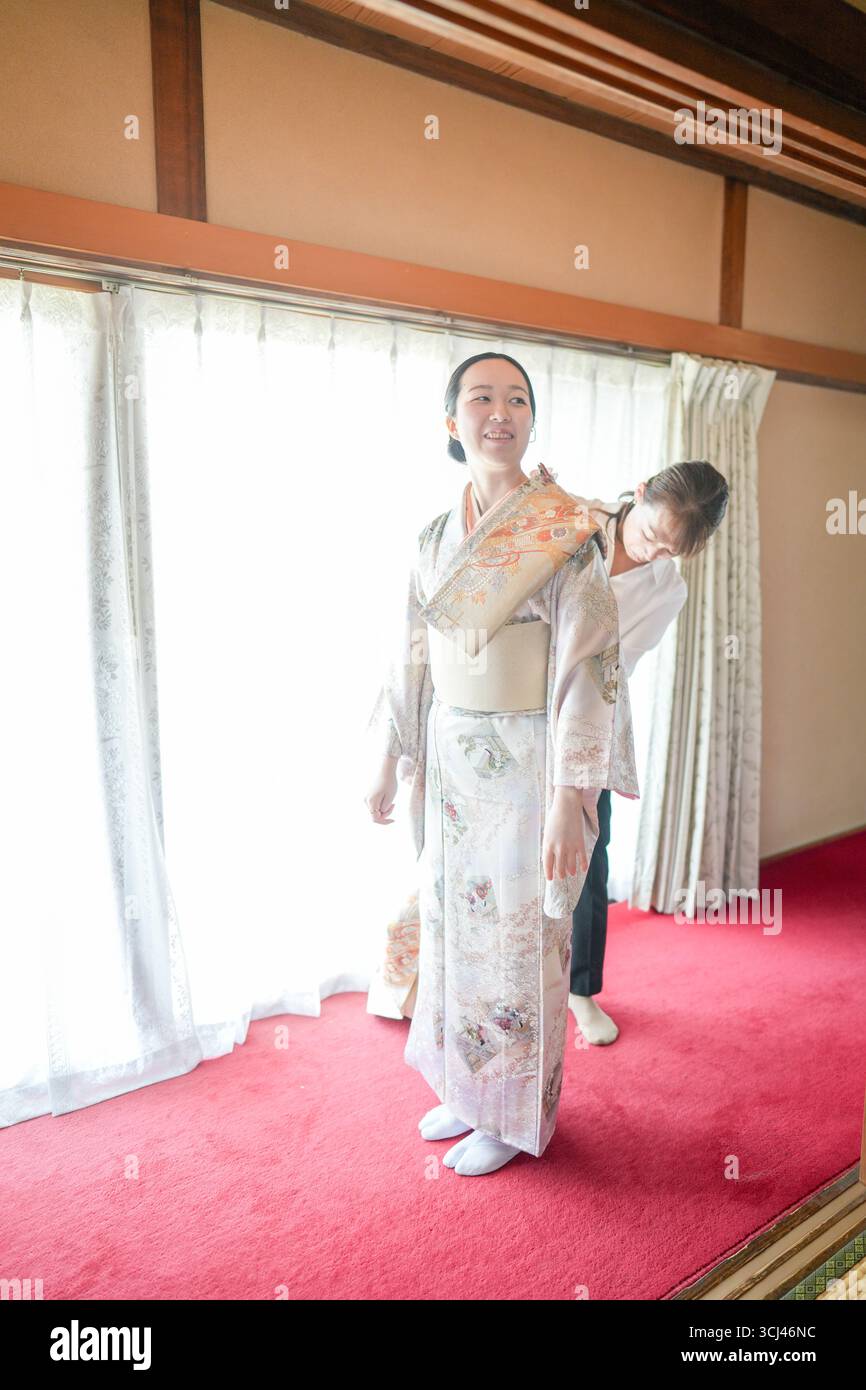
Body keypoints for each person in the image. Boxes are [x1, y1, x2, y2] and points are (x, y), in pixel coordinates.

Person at [364, 352, 638, 1176]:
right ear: (453, 422)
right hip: (452, 761)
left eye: (517, 399)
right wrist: (388, 756)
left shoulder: (565, 539)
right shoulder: (430, 538)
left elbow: (592, 667)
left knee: (520, 939)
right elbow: (410, 652)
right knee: (455, 931)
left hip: (526, 761)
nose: (500, 411)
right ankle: (463, 1086)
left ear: (530, 420)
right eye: (481, 397)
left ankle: (517, 1116)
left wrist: (569, 797)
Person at [569, 462, 729, 1045]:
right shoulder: (575, 521)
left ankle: (580, 991)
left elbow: (613, 663)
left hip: (592, 709)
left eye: (671, 548)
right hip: (511, 702)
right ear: (639, 494)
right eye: (651, 532)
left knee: (588, 849)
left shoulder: (670, 589)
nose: (654, 550)